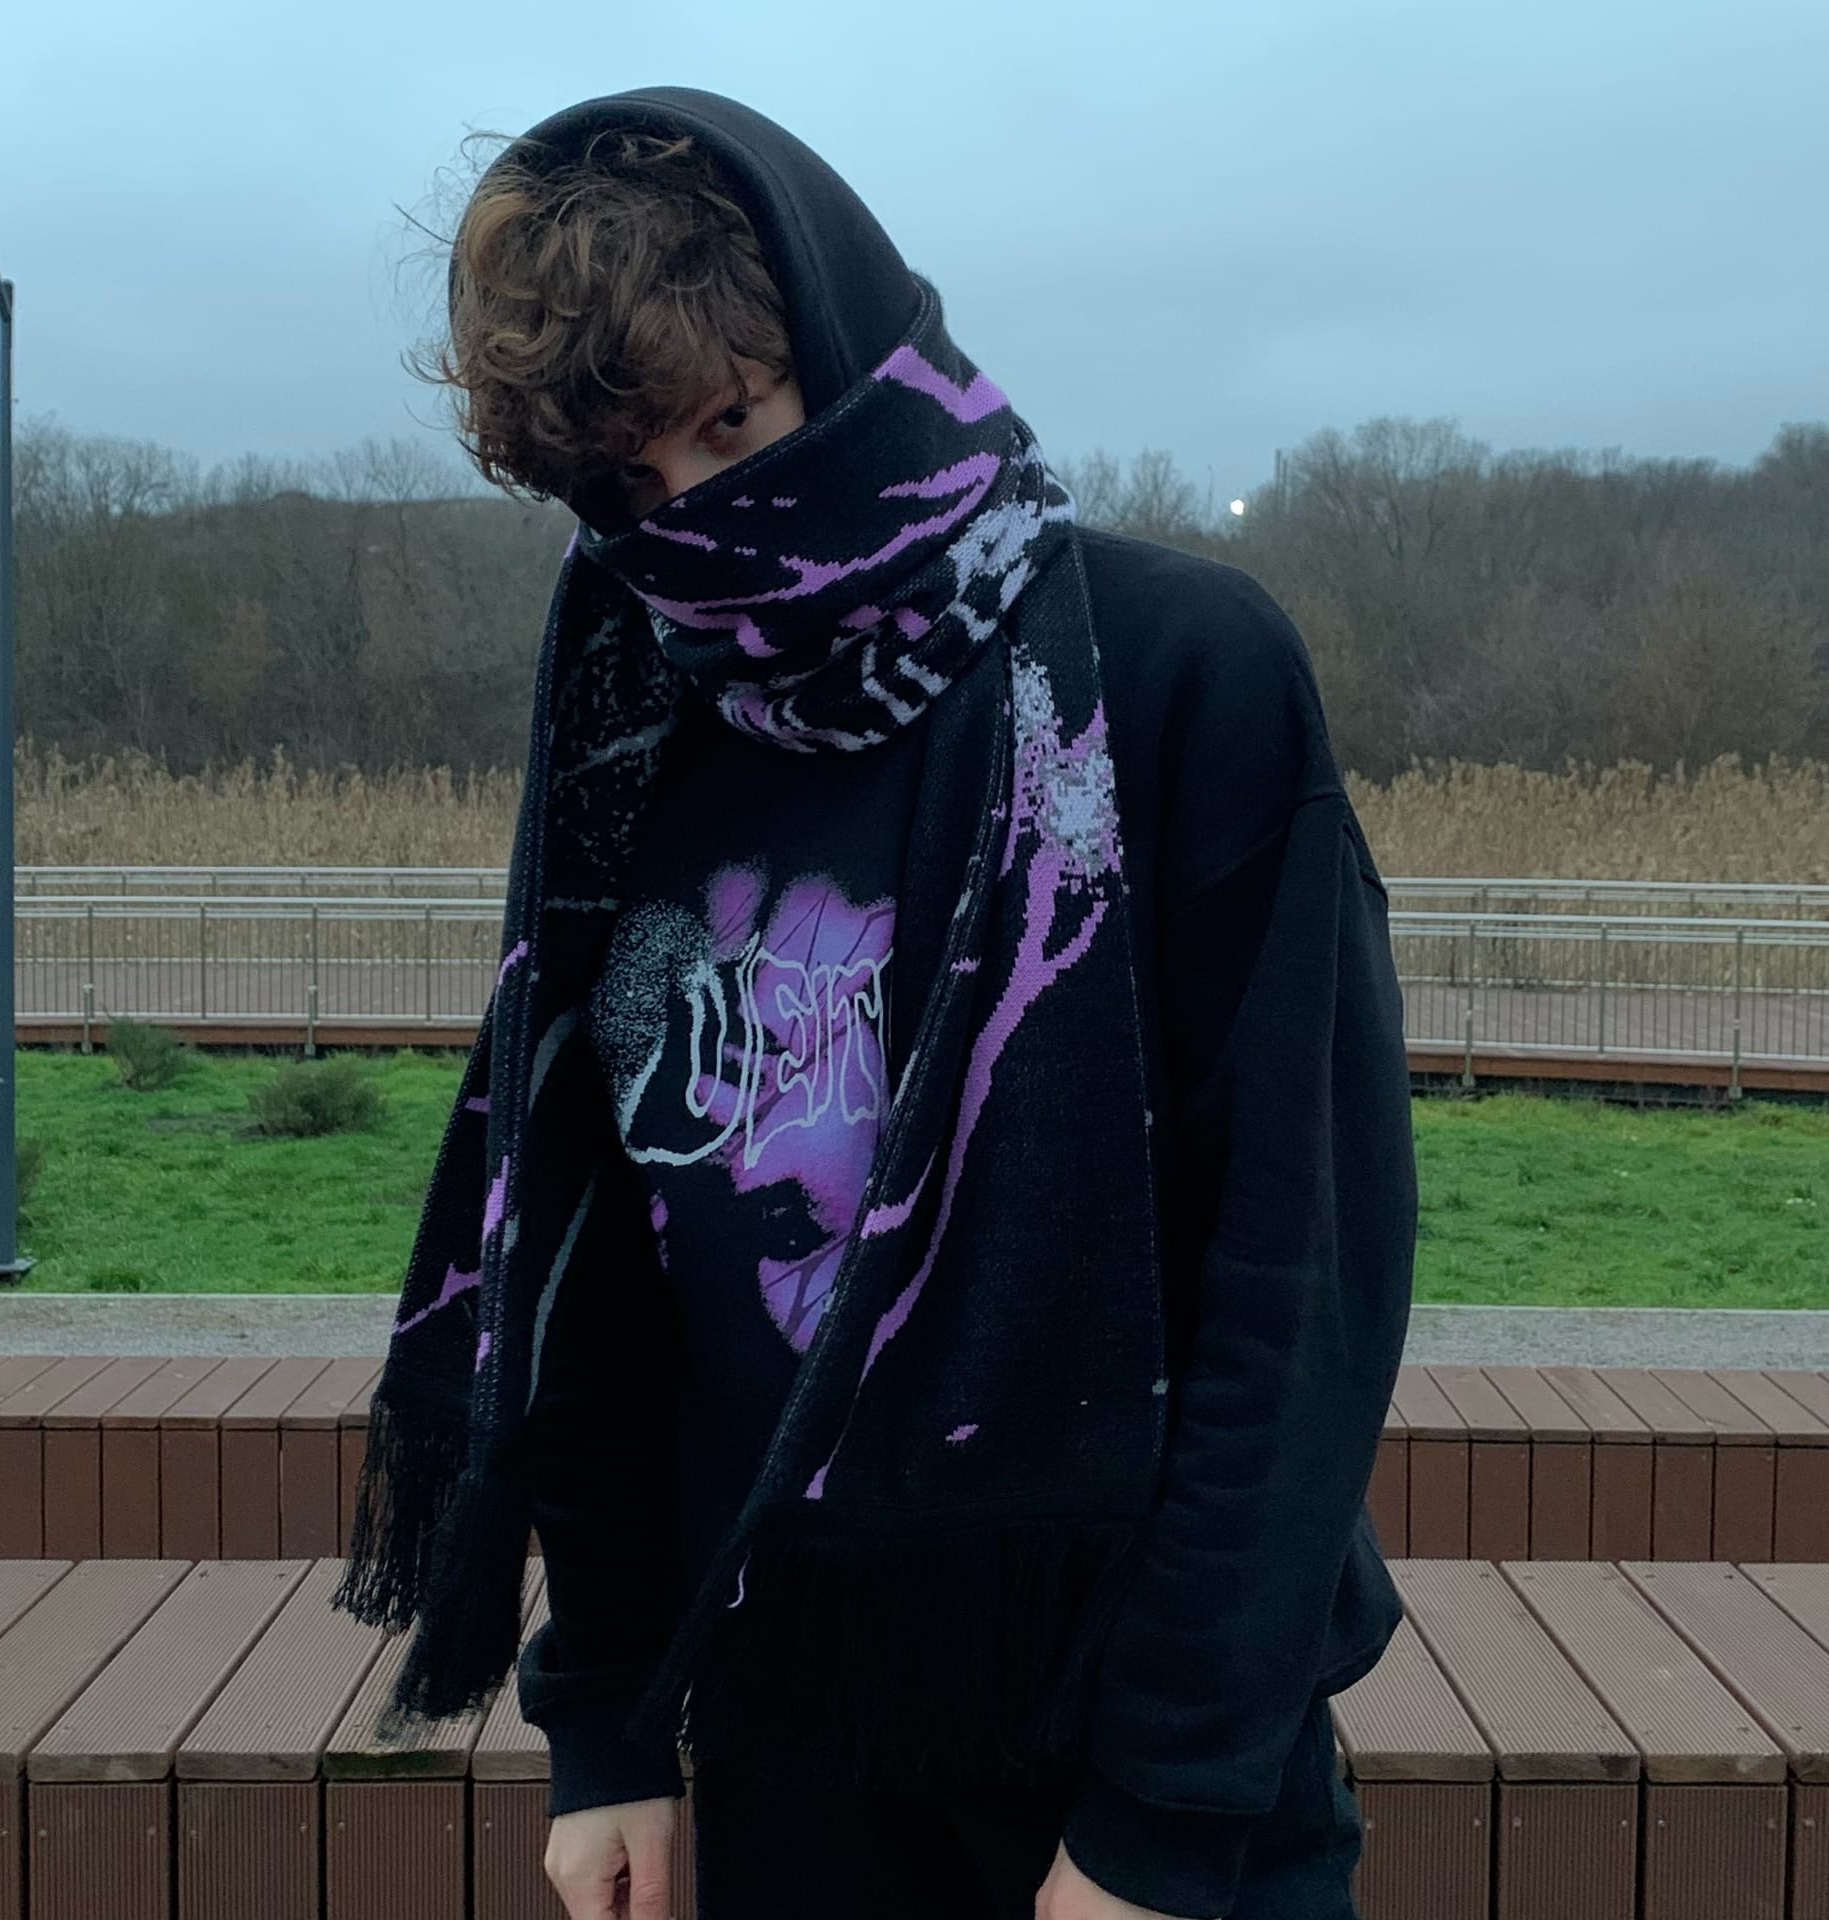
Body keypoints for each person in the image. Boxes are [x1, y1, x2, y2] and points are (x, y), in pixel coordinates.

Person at [337, 84, 1418, 1920]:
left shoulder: (1177, 670)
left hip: (1149, 1756)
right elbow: (608, 1268)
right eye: (627, 487)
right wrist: (607, 1723)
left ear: (849, 358)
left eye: (732, 423)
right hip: (779, 1730)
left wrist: (1162, 1820)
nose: (702, 515)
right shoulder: (638, 733)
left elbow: (1297, 1274)